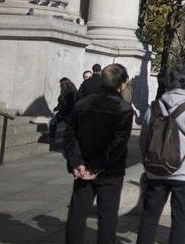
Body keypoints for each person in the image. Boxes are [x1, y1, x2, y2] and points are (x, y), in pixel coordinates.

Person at [137, 65, 185, 244]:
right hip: (183, 172)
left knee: (149, 215)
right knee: (180, 217)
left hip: (155, 170)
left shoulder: (153, 107)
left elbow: (144, 140)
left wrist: (146, 163)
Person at [63, 64, 134, 244]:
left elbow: (70, 137)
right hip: (109, 170)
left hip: (83, 167)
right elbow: (118, 144)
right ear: (123, 83)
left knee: (77, 214)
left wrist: (76, 162)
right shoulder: (124, 108)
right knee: (107, 218)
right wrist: (96, 167)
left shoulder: (81, 104)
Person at [49, 77, 78, 145]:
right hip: (64, 112)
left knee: (69, 128)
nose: (60, 86)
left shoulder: (71, 92)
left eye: (61, 84)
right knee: (53, 122)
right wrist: (57, 107)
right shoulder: (65, 91)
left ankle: (53, 139)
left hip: (68, 113)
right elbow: (61, 102)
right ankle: (52, 139)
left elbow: (70, 104)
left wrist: (61, 108)